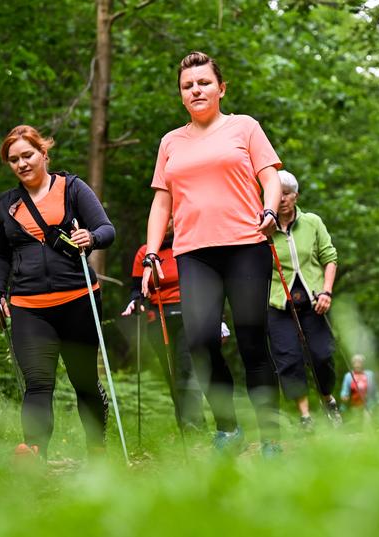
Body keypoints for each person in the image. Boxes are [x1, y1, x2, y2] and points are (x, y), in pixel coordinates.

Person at [142, 51, 282, 457]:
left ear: (221, 88)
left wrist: (270, 210)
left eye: (203, 82)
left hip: (246, 245)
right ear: (181, 94)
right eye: (188, 86)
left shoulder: (244, 127)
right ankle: (228, 428)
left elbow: (270, 177)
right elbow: (161, 204)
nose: (196, 90)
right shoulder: (170, 142)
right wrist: (152, 254)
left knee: (252, 342)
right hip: (193, 253)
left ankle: (271, 437)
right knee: (201, 343)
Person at [0, 125, 115, 461]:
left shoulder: (72, 188)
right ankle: (34, 454)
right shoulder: (6, 205)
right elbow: (0, 256)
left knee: (83, 379)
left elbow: (107, 229)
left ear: (44, 153)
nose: (22, 163)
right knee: (38, 382)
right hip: (28, 305)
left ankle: (97, 452)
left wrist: (91, 237)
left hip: (78, 300)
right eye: (14, 159)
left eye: (27, 155)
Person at [267, 169, 341, 433]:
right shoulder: (264, 229)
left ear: (295, 196)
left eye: (286, 194)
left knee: (322, 355)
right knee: (288, 359)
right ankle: (305, 416)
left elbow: (329, 258)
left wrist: (327, 292)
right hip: (279, 304)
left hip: (314, 301)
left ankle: (327, 399)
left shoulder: (312, 222)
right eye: (277, 194)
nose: (281, 199)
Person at [122, 220, 206, 432]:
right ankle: (184, 424)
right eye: (164, 218)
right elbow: (136, 289)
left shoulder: (186, 245)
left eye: (171, 217)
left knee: (186, 368)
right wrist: (136, 302)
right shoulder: (145, 252)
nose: (167, 222)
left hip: (188, 313)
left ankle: (195, 423)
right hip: (157, 318)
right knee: (171, 372)